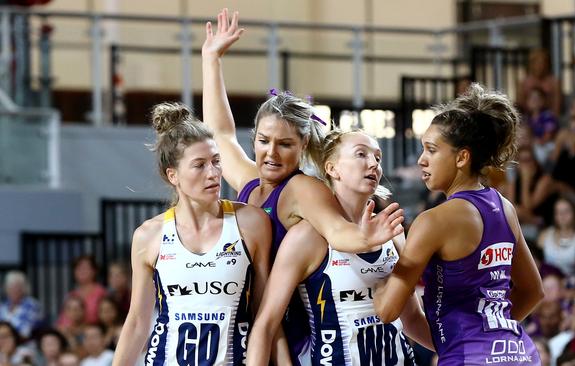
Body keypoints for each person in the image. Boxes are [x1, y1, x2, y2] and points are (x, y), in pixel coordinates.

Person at [201, 9, 404, 363]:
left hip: (289, 333)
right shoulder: (250, 183)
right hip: (249, 323)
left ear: (302, 147)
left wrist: (369, 238)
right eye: (264, 141)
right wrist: (211, 59)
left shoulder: (301, 190)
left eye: (286, 145)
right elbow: (220, 133)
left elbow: (337, 230)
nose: (272, 153)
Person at [373, 83, 544, 364]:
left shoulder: (433, 221)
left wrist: (376, 280)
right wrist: (489, 339)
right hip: (518, 353)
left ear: (462, 157)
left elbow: (388, 310)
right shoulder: (505, 207)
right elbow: (533, 291)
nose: (421, 160)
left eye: (431, 150)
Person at [247, 129, 432, 365]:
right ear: (332, 168)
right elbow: (266, 325)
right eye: (361, 154)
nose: (373, 164)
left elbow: (412, 319)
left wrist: (463, 350)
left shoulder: (390, 233)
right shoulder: (308, 236)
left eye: (377, 157)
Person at [113, 102, 274, 365]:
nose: (213, 173)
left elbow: (265, 314)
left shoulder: (251, 223)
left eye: (216, 161)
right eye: (199, 165)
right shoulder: (149, 236)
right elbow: (138, 322)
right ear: (173, 175)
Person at [57, 255, 107, 326]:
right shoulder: (71, 295)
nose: (81, 271)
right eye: (78, 268)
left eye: (85, 268)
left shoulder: (102, 293)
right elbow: (63, 320)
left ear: (94, 271)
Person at [0, 270, 43, 338]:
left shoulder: (32, 305)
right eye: (10, 286)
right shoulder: (3, 306)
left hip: (25, 344)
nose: (14, 290)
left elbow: (26, 332)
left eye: (17, 287)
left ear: (24, 289)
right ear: (6, 288)